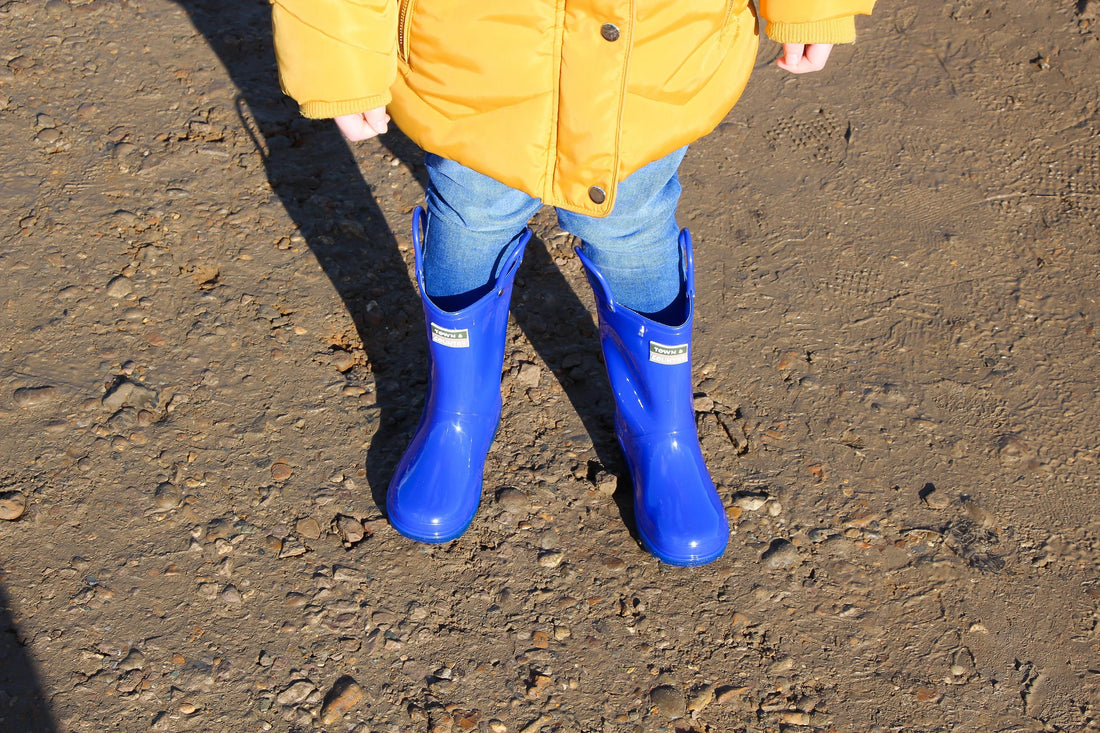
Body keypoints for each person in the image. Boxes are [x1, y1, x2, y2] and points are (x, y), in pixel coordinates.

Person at [270, 0, 875, 566]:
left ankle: (661, 429)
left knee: (632, 223)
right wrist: (338, 55)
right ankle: (460, 410)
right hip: (474, 57)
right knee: (471, 214)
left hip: (652, 51)